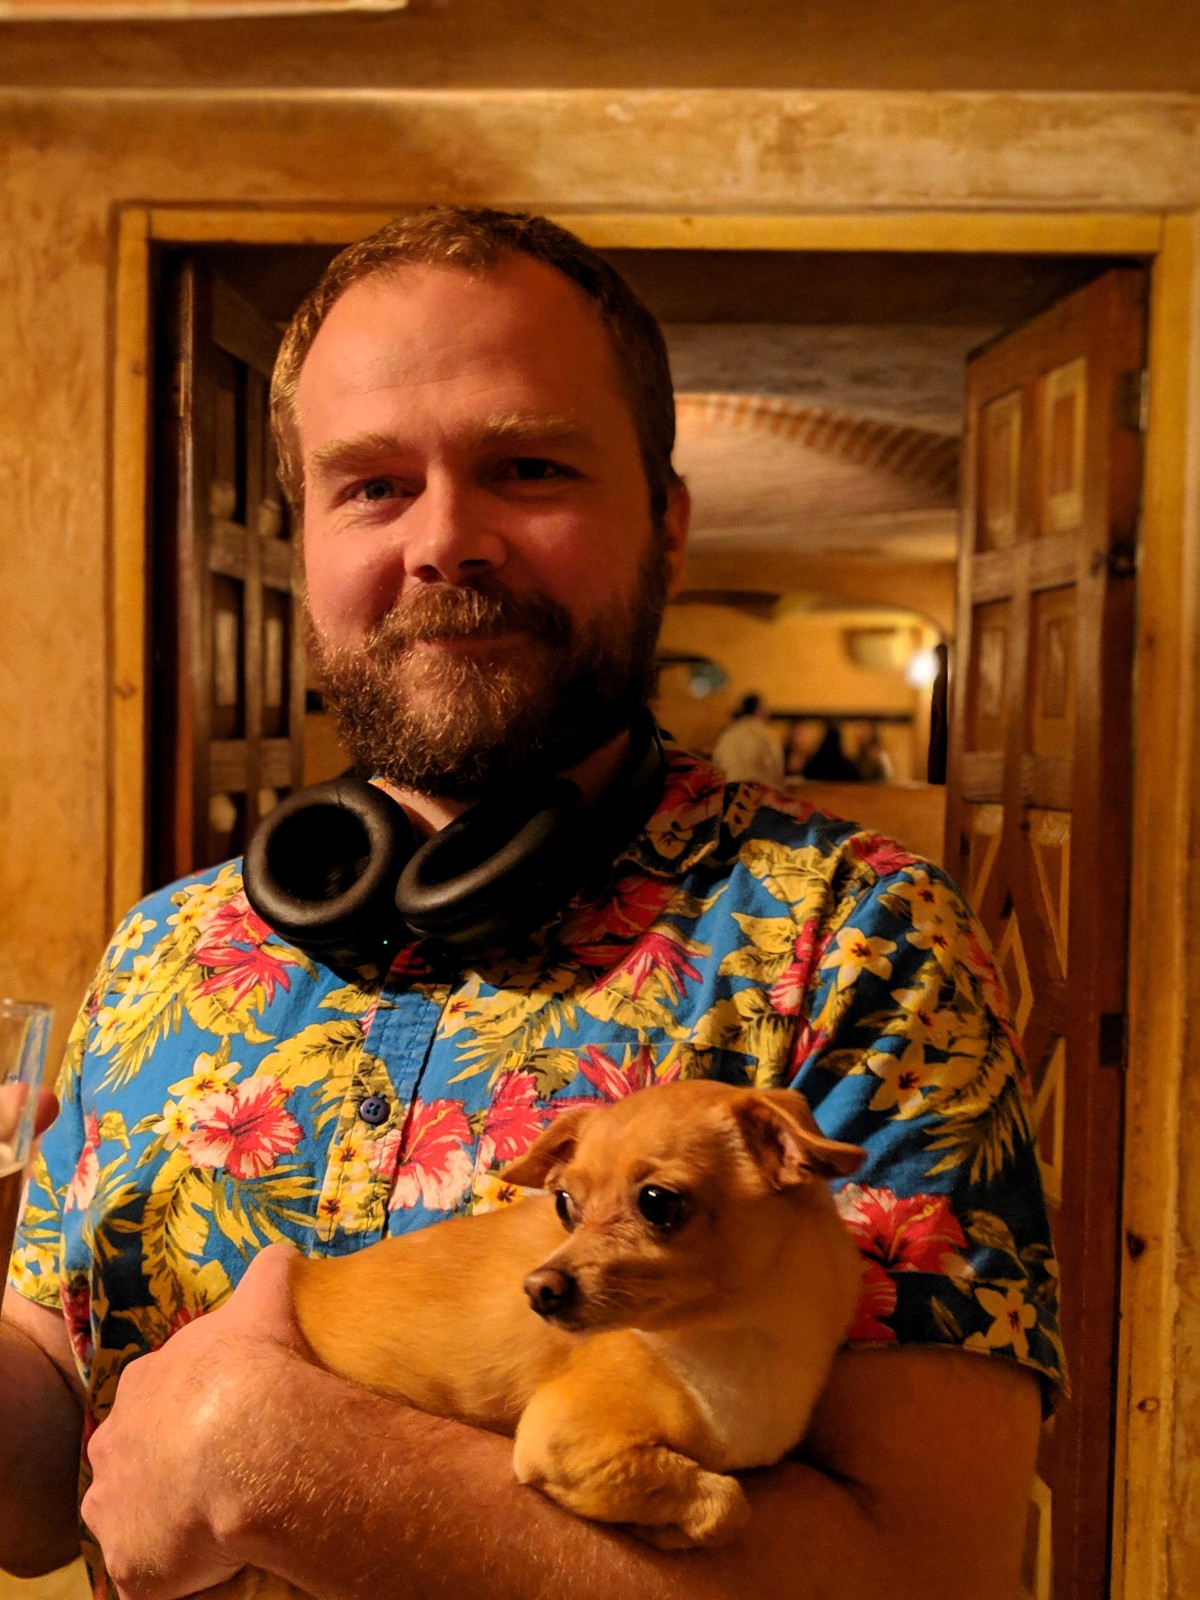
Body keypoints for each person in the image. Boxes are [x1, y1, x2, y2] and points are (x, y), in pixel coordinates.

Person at [2, 208, 1059, 1600]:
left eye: (530, 465)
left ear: (666, 528)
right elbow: (32, 1498)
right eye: (371, 484)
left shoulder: (859, 939)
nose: (448, 540)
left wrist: (281, 1460)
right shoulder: (165, 946)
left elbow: (934, 1572)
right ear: (302, 540)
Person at [710, 692, 785, 786]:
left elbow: (716, 765)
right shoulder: (765, 735)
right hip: (757, 793)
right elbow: (775, 770)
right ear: (759, 710)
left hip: (730, 792)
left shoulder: (727, 734)